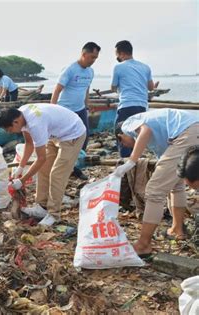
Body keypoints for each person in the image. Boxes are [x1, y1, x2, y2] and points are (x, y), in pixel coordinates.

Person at [113, 109, 199, 256]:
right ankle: (177, 230)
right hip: (192, 128)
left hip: (189, 130)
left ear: (121, 136)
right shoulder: (159, 137)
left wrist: (131, 161)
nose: (127, 146)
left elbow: (144, 131)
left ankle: (143, 245)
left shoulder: (128, 124)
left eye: (124, 144)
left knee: (154, 191)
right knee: (175, 184)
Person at [0, 104, 86, 226]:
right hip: (55, 134)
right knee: (43, 169)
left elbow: (41, 158)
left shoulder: (35, 124)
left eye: (8, 129)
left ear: (15, 122)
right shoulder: (21, 114)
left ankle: (54, 214)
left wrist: (22, 180)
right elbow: (29, 144)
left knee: (57, 174)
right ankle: (42, 207)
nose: (9, 132)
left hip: (72, 134)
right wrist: (20, 167)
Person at [50, 42, 101, 180]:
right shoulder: (70, 69)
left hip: (80, 110)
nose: (93, 60)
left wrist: (87, 106)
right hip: (65, 111)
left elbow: (86, 89)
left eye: (96, 58)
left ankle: (73, 165)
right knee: (64, 140)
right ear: (84, 54)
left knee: (84, 137)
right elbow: (57, 90)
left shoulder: (90, 72)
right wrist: (52, 110)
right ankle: (66, 167)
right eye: (92, 57)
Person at [111, 40, 156, 157]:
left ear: (121, 54)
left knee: (120, 133)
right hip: (142, 107)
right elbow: (151, 87)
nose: (117, 58)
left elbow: (113, 88)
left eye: (117, 55)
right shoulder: (145, 67)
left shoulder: (118, 67)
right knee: (137, 134)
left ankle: (126, 162)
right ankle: (137, 160)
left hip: (126, 105)